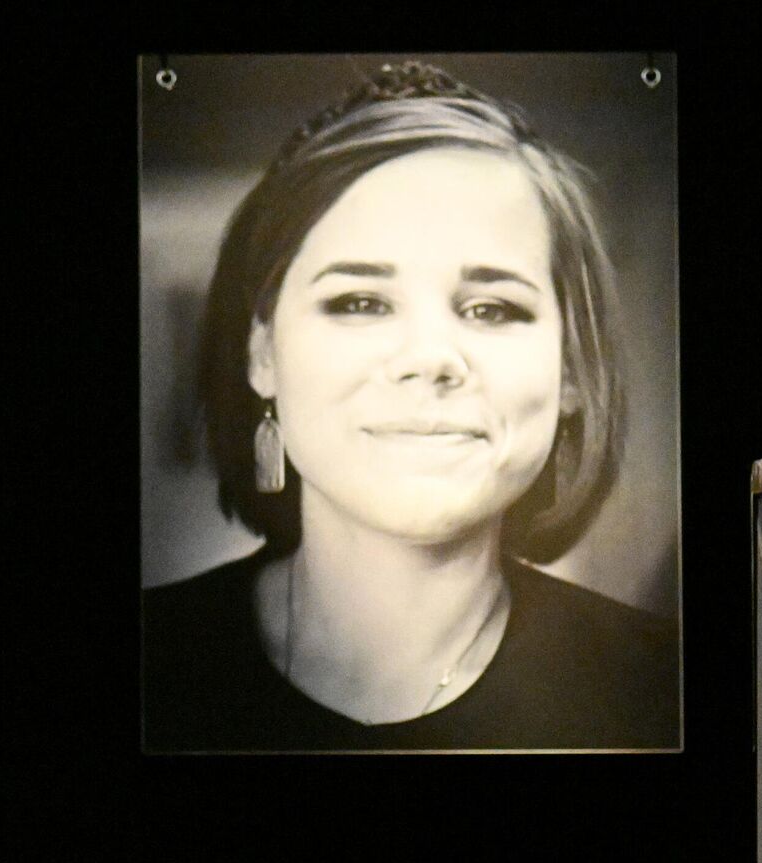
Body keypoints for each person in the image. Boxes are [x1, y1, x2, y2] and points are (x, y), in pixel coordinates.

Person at [142, 61, 680, 752]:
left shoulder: (665, 694)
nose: (430, 357)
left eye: (491, 309)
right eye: (360, 302)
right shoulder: (152, 665)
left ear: (572, 369)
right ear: (264, 353)